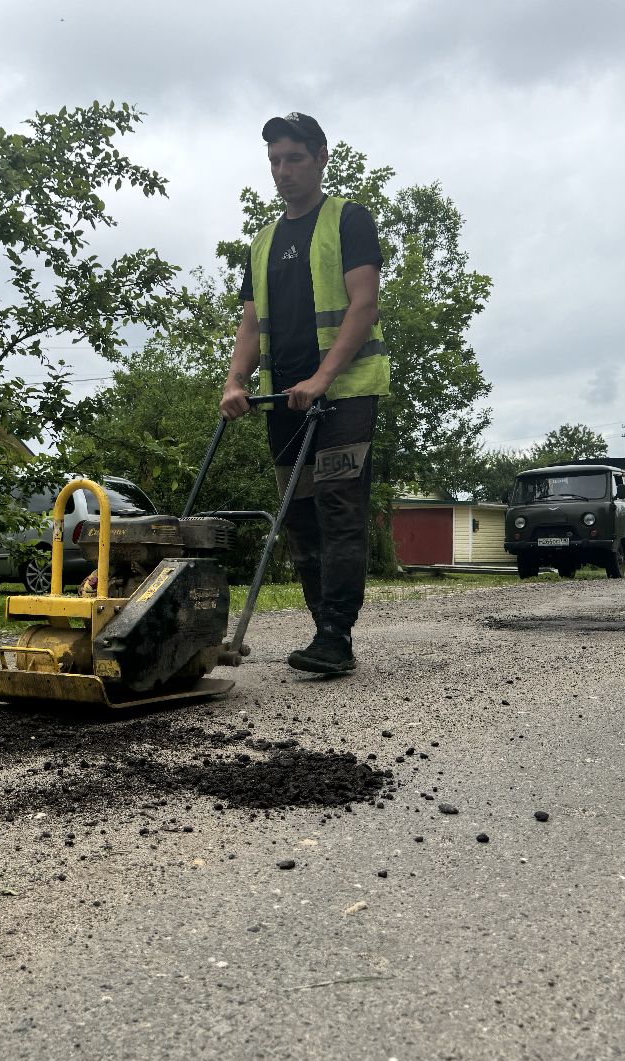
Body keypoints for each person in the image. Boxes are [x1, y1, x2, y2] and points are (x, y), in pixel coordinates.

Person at [219, 112, 390, 674]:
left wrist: (322, 379)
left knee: (338, 509)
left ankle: (336, 636)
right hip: (283, 401)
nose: (282, 170)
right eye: (274, 161)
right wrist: (235, 381)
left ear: (320, 158)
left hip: (344, 397)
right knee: (299, 515)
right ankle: (321, 629)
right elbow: (251, 324)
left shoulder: (349, 220)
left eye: (293, 158)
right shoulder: (263, 242)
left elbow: (363, 305)